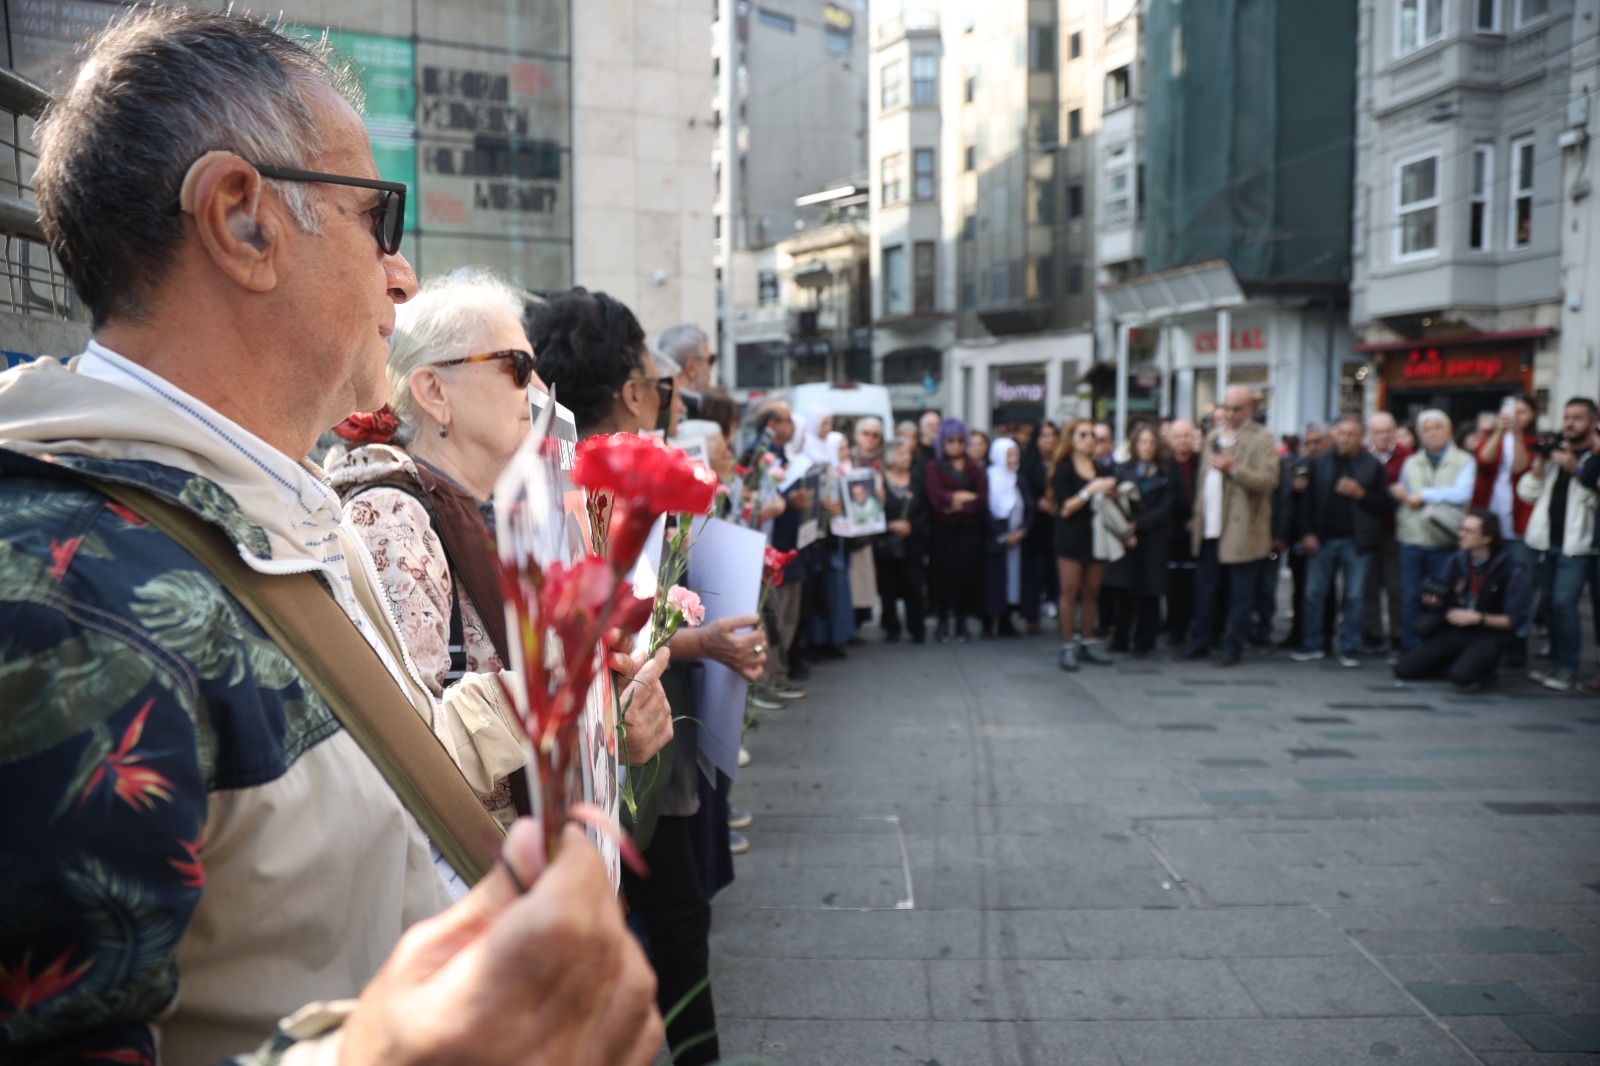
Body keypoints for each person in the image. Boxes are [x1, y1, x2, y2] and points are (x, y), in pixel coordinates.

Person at [0, 9, 661, 1065]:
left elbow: (363, 797)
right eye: (376, 220)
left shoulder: (279, 506)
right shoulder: (59, 594)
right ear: (242, 220)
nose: (400, 275)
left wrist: (549, 697)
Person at [327, 272, 674, 824]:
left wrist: (614, 721)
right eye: (517, 367)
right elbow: (404, 749)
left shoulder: (499, 511)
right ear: (434, 392)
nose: (540, 391)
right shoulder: (393, 518)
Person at [533, 287, 766, 1065]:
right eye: (654, 384)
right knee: (672, 918)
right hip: (626, 739)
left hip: (558, 750)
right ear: (632, 392)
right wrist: (699, 641)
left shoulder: (531, 472)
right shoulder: (611, 479)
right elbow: (623, 625)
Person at [1179, 386, 1282, 667]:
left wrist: (1234, 469)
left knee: (1240, 595)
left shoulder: (1262, 439)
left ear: (1250, 409)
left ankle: (1233, 646)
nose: (1230, 414)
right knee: (1205, 590)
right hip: (1210, 526)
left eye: (1237, 408)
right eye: (1226, 407)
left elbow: (1269, 481)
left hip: (1241, 530)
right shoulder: (1213, 436)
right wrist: (1197, 516)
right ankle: (1201, 640)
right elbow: (1203, 485)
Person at [1288, 415, 1390, 668]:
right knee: (1314, 593)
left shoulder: (1372, 464)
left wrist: (1361, 494)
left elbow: (1384, 505)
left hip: (1357, 541)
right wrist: (1307, 532)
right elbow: (1308, 502)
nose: (1344, 439)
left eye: (1350, 434)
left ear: (1360, 436)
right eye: (1340, 433)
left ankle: (1349, 646)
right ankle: (1314, 643)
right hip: (1323, 539)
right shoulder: (1320, 462)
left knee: (1354, 597)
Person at [1394, 510, 1532, 691]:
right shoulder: (1457, 560)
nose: (1461, 535)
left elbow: (1514, 620)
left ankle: (1479, 670)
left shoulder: (1512, 569)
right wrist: (1435, 601)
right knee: (1404, 669)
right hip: (1459, 629)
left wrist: (1479, 618)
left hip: (1489, 634)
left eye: (1469, 531)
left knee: (1461, 678)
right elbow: (1445, 595)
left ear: (1486, 538)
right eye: (1461, 530)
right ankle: (1459, 663)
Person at [1517, 397, 1600, 693]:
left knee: (1565, 604)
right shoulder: (1553, 455)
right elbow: (1527, 492)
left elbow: (1593, 499)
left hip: (1576, 548)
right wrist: (1541, 462)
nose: (1569, 423)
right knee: (1550, 605)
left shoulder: (1593, 457)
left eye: (1577, 418)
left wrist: (1575, 467)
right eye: (1566, 417)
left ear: (1592, 422)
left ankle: (1568, 667)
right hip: (1543, 543)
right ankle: (1554, 662)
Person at [1393, 410, 1477, 650]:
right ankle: (1410, 647)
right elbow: (1404, 492)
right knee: (1410, 598)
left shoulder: (1464, 460)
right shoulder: (1411, 462)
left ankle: (1437, 648)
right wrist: (1400, 493)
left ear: (1448, 431)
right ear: (1420, 435)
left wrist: (1424, 495)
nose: (1432, 433)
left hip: (1444, 541)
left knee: (1441, 597)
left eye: (1437, 427)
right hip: (1411, 538)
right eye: (1427, 429)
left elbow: (1462, 494)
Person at [1051, 419, 1118, 670]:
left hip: (1096, 537)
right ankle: (1067, 646)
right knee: (1070, 592)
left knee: (1092, 592)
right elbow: (1065, 508)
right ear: (1071, 440)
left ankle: (1087, 643)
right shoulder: (1064, 469)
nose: (1090, 439)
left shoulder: (1099, 467)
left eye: (1093, 435)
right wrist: (1090, 490)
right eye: (1083, 435)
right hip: (1070, 538)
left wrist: (1112, 492)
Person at [1476, 393, 1538, 664]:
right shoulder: (1493, 435)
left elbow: (1520, 467)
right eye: (1513, 411)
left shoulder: (1533, 442)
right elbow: (1484, 459)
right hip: (1493, 522)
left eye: (1522, 412)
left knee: (1522, 582)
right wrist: (1500, 432)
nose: (1516, 417)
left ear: (1532, 416)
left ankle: (1519, 637)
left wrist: (1515, 435)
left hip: (1519, 523)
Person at [1105, 423, 1175, 655]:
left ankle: (1145, 642)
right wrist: (1126, 527)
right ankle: (1120, 638)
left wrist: (1139, 523)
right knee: (1124, 591)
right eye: (1143, 442)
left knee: (1149, 591)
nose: (1147, 446)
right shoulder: (1122, 470)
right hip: (1128, 539)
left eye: (1152, 442)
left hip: (1153, 539)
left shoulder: (1166, 473)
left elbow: (1166, 509)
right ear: (1135, 444)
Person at [924, 417, 988, 642]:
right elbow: (936, 498)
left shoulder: (975, 468)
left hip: (968, 530)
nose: (956, 444)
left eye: (960, 440)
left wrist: (952, 505)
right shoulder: (933, 467)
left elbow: (982, 501)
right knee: (943, 576)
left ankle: (961, 622)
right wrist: (962, 498)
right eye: (951, 440)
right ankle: (942, 622)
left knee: (965, 576)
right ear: (943, 442)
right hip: (943, 531)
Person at [1362, 411, 1414, 657]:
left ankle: (1398, 634)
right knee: (1368, 586)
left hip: (1396, 528)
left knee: (1396, 586)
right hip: (1368, 529)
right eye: (1378, 431)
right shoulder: (1361, 455)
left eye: (1387, 431)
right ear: (1369, 434)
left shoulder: (1407, 456)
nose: (1383, 436)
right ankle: (1372, 634)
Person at [875, 438, 930, 642]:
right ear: (890, 457)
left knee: (914, 584)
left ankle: (917, 627)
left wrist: (911, 526)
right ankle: (892, 627)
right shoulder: (879, 481)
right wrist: (888, 525)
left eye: (908, 453)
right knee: (887, 585)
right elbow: (870, 512)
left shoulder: (917, 479)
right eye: (902, 453)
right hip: (886, 543)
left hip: (913, 541)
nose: (907, 457)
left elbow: (926, 509)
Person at [984, 437, 1035, 637]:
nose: (1014, 459)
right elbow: (985, 510)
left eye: (1015, 454)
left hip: (1017, 540)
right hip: (996, 541)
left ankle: (1007, 620)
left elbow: (1030, 506)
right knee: (994, 581)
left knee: (1013, 580)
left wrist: (1022, 531)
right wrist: (1001, 535)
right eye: (1009, 455)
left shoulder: (1019, 478)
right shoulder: (988, 477)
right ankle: (989, 621)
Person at [1020, 421, 1061, 631]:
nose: (1049, 440)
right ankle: (1032, 616)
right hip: (1036, 527)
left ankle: (1061, 610)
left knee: (1058, 573)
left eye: (1053, 435)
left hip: (1059, 524)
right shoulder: (1028, 464)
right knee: (1034, 572)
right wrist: (1037, 502)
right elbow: (1022, 490)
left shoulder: (1063, 462)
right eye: (1044, 435)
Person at [1165, 419, 1202, 644]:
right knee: (1173, 584)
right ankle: (1175, 628)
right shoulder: (1165, 465)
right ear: (1170, 440)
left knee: (1195, 583)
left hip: (1198, 529)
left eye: (1186, 435)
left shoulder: (1202, 463)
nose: (1182, 440)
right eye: (1177, 436)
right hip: (1172, 532)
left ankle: (1194, 626)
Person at [657, 324, 713, 420]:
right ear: (691, 368)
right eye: (710, 360)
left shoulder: (658, 409)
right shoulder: (702, 414)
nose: (710, 367)